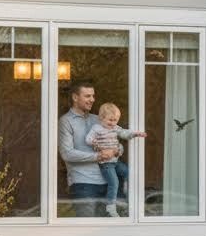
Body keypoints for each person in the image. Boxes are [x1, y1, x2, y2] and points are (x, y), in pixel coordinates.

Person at [58, 80, 121, 218]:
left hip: (107, 182)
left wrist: (117, 150)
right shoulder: (66, 121)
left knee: (107, 229)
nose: (92, 99)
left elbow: (117, 141)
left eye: (93, 96)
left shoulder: (99, 119)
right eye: (87, 96)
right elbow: (67, 153)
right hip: (83, 185)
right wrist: (98, 156)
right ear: (75, 97)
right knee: (86, 227)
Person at [86, 102, 146, 216]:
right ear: (101, 118)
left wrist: (135, 134)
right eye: (110, 120)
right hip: (105, 163)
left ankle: (128, 194)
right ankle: (110, 207)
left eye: (115, 120)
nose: (113, 123)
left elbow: (124, 133)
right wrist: (93, 141)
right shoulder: (96, 128)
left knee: (129, 173)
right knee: (113, 182)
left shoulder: (115, 128)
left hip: (115, 161)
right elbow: (88, 138)